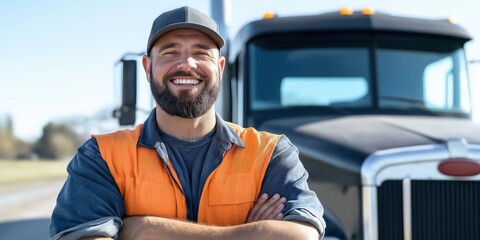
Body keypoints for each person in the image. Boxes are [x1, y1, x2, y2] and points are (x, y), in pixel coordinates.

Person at [50, 6, 325, 240]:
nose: (187, 63)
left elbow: (303, 235)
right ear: (147, 68)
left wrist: (142, 228)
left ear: (219, 67)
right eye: (170, 52)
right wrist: (251, 231)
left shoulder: (270, 152)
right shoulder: (102, 155)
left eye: (202, 52)